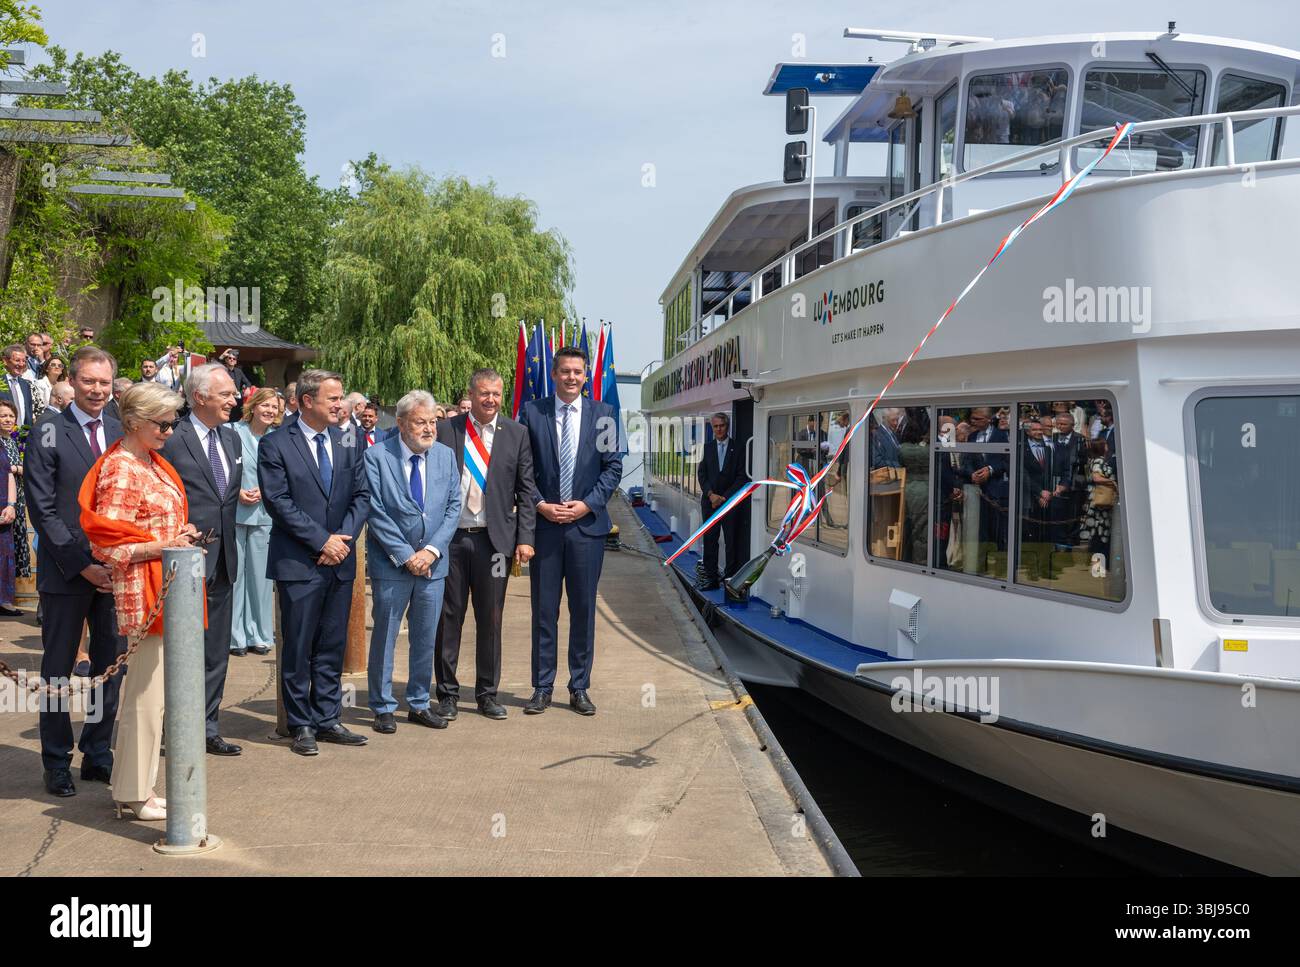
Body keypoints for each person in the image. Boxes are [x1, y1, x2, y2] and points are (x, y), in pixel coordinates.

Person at [80, 381, 199, 821]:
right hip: (144, 594)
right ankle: (133, 792)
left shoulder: (148, 460)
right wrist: (166, 543)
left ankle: (137, 788)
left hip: (166, 590)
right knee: (145, 698)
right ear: (133, 422)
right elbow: (107, 544)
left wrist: (175, 539)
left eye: (174, 422)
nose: (170, 430)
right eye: (162, 423)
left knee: (154, 698)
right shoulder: (123, 468)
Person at [25, 346, 127, 798]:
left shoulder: (123, 428)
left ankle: (98, 754)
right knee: (58, 670)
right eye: (89, 382)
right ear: (73, 380)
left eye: (105, 383)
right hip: (66, 571)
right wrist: (82, 565)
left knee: (111, 667)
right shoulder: (49, 429)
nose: (98, 391)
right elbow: (43, 508)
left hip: (116, 571)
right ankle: (56, 761)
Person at [258, 369, 370, 756]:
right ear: (307, 401)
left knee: (332, 644)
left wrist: (342, 539)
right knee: (299, 645)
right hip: (299, 562)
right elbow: (279, 502)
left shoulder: (349, 440)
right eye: (333, 399)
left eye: (340, 399)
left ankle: (328, 717)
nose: (341, 406)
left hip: (339, 560)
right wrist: (321, 540)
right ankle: (300, 723)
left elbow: (362, 494)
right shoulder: (275, 444)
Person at [518, 347, 622, 716]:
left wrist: (587, 505)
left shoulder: (605, 415)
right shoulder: (532, 413)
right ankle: (541, 687)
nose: (572, 378)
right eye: (565, 371)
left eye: (578, 372)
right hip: (545, 528)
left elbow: (612, 469)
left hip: (586, 529)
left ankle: (579, 686)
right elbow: (522, 470)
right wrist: (541, 504)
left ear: (586, 374)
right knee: (544, 612)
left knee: (583, 611)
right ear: (554, 373)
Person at [434, 369, 536, 720]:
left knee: (491, 619)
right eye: (483, 394)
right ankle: (446, 694)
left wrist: (525, 539)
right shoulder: (447, 430)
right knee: (449, 618)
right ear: (471, 394)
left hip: (495, 543)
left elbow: (526, 491)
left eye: (495, 394)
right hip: (452, 540)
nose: (490, 400)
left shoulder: (517, 434)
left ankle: (487, 694)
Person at [365, 391, 460, 733]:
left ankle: (419, 702)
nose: (429, 428)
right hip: (392, 565)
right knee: (386, 635)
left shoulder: (446, 457)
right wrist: (406, 556)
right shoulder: (376, 457)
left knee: (425, 637)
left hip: (433, 565)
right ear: (402, 423)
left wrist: (431, 551)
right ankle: (382, 706)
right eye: (421, 422)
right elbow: (374, 510)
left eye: (433, 421)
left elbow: (453, 507)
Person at [161, 363, 243, 757]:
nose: (236, 398)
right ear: (200, 398)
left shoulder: (232, 440)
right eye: (226, 394)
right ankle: (171, 728)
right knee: (179, 650)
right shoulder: (172, 440)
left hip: (224, 559)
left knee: (215, 650)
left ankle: (207, 727)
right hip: (184, 562)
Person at [231, 388, 279, 658]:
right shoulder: (232, 431)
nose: (270, 411)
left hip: (265, 513)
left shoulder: (278, 438)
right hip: (236, 510)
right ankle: (236, 635)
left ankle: (260, 634)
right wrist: (236, 490)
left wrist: (265, 490)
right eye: (266, 405)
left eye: (275, 407)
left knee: (261, 579)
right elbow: (223, 468)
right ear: (254, 406)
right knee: (236, 576)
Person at [695, 412, 742, 590]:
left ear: (727, 426)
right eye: (715, 426)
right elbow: (702, 474)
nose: (719, 429)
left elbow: (741, 476)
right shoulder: (707, 448)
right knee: (710, 541)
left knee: (731, 542)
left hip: (728, 503)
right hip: (710, 503)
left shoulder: (737, 448)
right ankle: (711, 579)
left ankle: (730, 580)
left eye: (721, 425)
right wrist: (710, 494)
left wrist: (724, 497)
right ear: (712, 428)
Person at [0, 399, 30, 613]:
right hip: (4, 499)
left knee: (10, 552)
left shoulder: (13, 440)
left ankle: (4, 599)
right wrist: (17, 468)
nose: (7, 419)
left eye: (11, 416)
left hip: (15, 500)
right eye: (3, 416)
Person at [1, 344, 35, 429]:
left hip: (22, 437)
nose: (21, 364)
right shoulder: (1, 382)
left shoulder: (25, 385)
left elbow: (28, 414)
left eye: (24, 361)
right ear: (5, 360)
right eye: (17, 360)